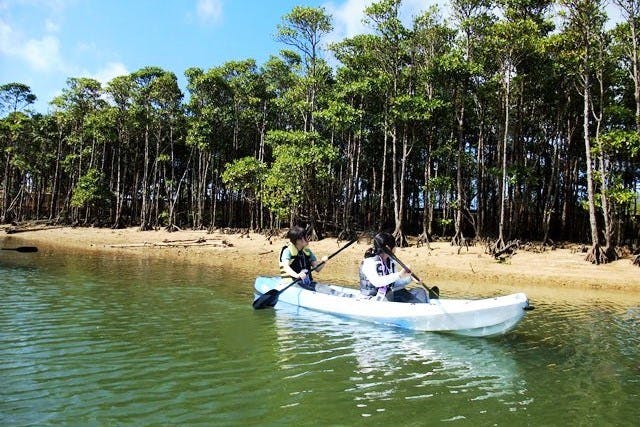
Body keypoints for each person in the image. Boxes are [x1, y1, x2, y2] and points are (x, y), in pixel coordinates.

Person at [359, 232, 428, 303]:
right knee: (389, 296)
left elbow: (393, 283)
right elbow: (377, 282)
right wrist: (399, 275)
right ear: (388, 248)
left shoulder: (390, 262)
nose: (396, 248)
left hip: (387, 296)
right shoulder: (369, 262)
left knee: (420, 292)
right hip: (370, 300)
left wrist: (410, 278)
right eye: (395, 245)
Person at [279, 226, 328, 291]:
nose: (308, 238)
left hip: (307, 283)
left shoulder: (307, 251)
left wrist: (323, 262)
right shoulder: (287, 251)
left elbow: (317, 269)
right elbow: (286, 267)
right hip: (292, 284)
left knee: (325, 289)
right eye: (305, 237)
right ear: (298, 240)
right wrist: (297, 275)